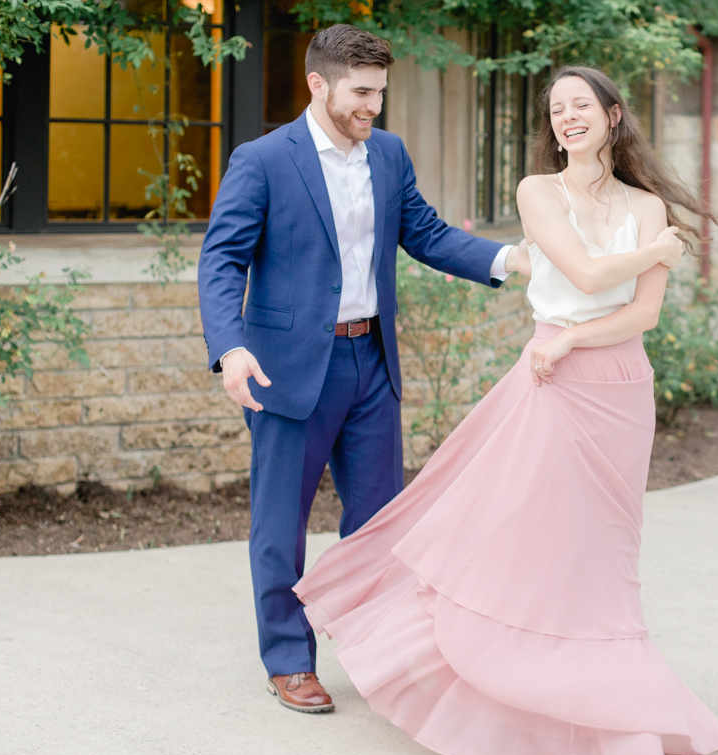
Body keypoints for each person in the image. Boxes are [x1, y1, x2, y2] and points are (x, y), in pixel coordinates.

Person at [293, 65, 718, 755]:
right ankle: (508, 687)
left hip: (618, 389)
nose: (567, 117)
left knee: (604, 556)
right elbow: (587, 277)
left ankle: (610, 705)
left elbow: (642, 315)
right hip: (553, 389)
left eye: (581, 105)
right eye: (557, 108)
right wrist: (646, 263)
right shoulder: (539, 192)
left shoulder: (646, 206)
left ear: (614, 115)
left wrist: (572, 340)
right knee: (524, 539)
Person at [197, 25, 526, 713]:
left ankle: (382, 658)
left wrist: (506, 260)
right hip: (285, 372)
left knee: (380, 523)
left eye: (379, 92)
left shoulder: (388, 156)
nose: (372, 105)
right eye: (361, 92)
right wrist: (231, 348)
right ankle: (288, 659)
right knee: (279, 524)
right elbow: (221, 259)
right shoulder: (262, 160)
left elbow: (426, 233)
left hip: (372, 362)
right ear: (318, 84)